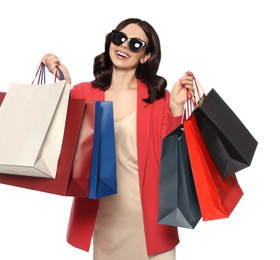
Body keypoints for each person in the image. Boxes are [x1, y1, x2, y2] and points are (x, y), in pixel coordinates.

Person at [42, 18, 194, 260]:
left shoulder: (158, 99)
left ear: (145, 56)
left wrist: (176, 109)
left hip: (151, 222)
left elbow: (172, 158)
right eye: (119, 38)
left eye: (135, 44)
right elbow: (59, 132)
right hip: (106, 221)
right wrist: (62, 81)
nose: (124, 46)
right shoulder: (84, 93)